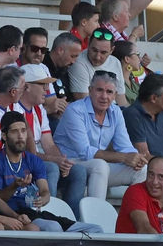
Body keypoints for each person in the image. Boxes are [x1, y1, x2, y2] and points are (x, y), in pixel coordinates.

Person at [53, 70, 148, 214]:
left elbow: (125, 146)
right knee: (100, 165)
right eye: (99, 90)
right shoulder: (76, 109)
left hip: (97, 168)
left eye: (109, 92)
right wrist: (124, 157)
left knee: (141, 170)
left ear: (115, 95)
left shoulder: (116, 112)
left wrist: (136, 158)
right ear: (90, 91)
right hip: (69, 164)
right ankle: (96, 218)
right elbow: (85, 152)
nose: (104, 96)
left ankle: (132, 216)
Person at [117, 156, 163, 233]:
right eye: (151, 175)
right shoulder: (135, 191)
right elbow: (143, 228)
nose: (154, 182)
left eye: (161, 177)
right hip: (134, 245)